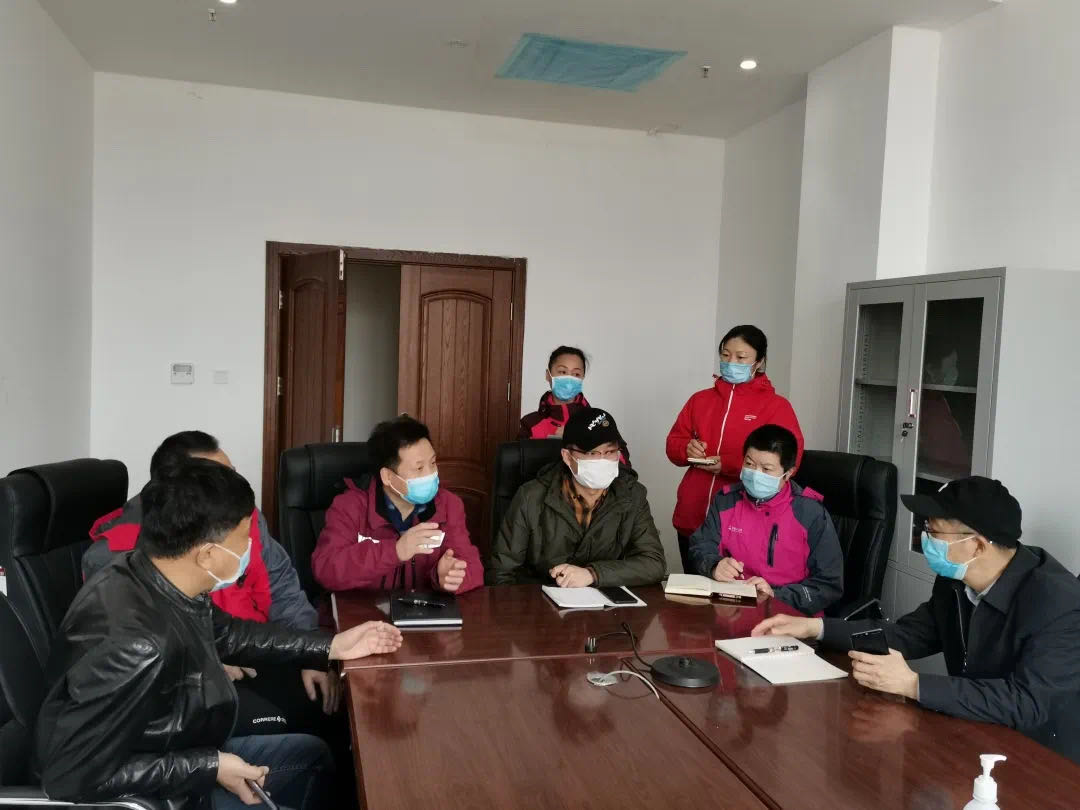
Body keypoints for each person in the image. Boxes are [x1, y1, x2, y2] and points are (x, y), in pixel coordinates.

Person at [34, 459, 403, 808]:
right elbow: (72, 774)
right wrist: (210, 766)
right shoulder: (136, 644)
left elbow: (227, 634)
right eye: (243, 539)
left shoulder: (153, 572)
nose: (251, 548)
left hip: (176, 749)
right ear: (207, 555)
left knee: (315, 757)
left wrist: (330, 646)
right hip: (158, 795)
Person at [752, 476, 1080, 763]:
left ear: (978, 546)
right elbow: (908, 634)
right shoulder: (955, 579)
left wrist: (914, 685)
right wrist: (817, 627)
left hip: (1043, 759)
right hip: (974, 732)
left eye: (934, 531)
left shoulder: (1057, 601)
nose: (924, 539)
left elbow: (1028, 702)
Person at [82, 431, 334, 743]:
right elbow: (138, 654)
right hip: (192, 678)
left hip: (255, 649)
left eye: (232, 474)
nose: (233, 488)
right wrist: (204, 665)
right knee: (277, 730)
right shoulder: (117, 556)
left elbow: (280, 591)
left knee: (328, 711)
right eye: (217, 479)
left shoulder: (240, 518)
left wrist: (313, 655)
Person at [667, 325, 804, 573]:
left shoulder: (776, 406)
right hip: (692, 516)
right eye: (725, 355)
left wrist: (729, 464)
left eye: (741, 357)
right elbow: (673, 444)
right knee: (692, 592)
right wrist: (687, 448)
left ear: (758, 362)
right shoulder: (700, 400)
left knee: (735, 593)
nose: (731, 362)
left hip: (743, 524)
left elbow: (790, 460)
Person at [488, 407, 666, 587]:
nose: (603, 460)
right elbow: (501, 572)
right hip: (540, 598)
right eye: (592, 453)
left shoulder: (632, 494)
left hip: (606, 600)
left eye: (610, 451)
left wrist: (593, 574)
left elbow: (653, 563)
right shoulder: (531, 497)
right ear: (567, 457)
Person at [312, 415, 484, 593]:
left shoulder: (448, 504)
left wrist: (450, 577)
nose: (430, 474)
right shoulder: (350, 506)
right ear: (388, 476)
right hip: (363, 609)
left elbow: (473, 568)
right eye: (419, 468)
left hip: (422, 609)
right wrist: (395, 551)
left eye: (432, 463)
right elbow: (326, 569)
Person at [687, 424, 843, 616]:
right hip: (732, 613)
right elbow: (700, 546)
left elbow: (829, 584)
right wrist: (714, 566)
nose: (755, 473)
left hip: (789, 619)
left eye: (766, 469)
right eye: (749, 464)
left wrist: (776, 596)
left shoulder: (810, 513)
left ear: (789, 473)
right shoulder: (726, 500)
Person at [518, 345, 631, 463]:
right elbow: (520, 466)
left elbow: (624, 463)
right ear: (548, 375)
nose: (569, 379)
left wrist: (589, 442)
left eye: (576, 374)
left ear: (582, 378)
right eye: (562, 372)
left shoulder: (600, 420)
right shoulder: (530, 423)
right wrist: (552, 446)